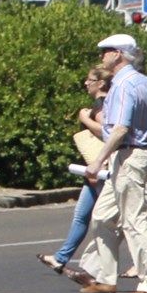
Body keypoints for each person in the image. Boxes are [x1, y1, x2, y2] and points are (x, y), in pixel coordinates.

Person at [64, 34, 147, 293]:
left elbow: (121, 128)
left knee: (135, 221)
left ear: (119, 54)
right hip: (136, 156)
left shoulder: (123, 85)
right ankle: (105, 277)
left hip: (129, 155)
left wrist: (98, 161)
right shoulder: (145, 84)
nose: (102, 56)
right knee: (101, 217)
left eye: (107, 51)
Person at [38, 64, 111, 274]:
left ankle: (130, 268)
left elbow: (108, 131)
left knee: (112, 221)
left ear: (101, 83)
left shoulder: (100, 105)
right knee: (82, 215)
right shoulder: (101, 103)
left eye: (90, 79)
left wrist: (85, 120)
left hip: (100, 168)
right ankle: (61, 258)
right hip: (93, 170)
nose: (86, 83)